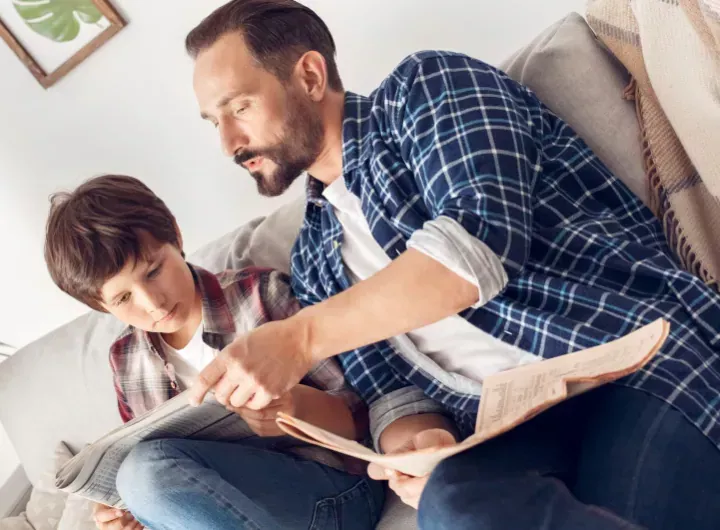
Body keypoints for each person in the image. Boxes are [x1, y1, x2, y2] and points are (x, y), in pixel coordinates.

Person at [185, 1, 720, 528]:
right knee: (449, 502)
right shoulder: (314, 256)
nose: (228, 143)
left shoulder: (426, 89)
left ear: (308, 75)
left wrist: (298, 338)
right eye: (213, 123)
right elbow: (393, 391)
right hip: (506, 430)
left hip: (619, 361)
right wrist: (416, 447)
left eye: (239, 108)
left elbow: (475, 251)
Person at [43, 175, 384, 530]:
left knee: (143, 471)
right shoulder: (127, 363)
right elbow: (172, 480)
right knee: (138, 479)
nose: (153, 302)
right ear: (102, 308)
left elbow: (361, 415)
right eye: (123, 299)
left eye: (154, 271)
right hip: (228, 512)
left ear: (175, 235)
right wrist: (136, 512)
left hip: (335, 491)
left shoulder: (260, 296)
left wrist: (294, 405)